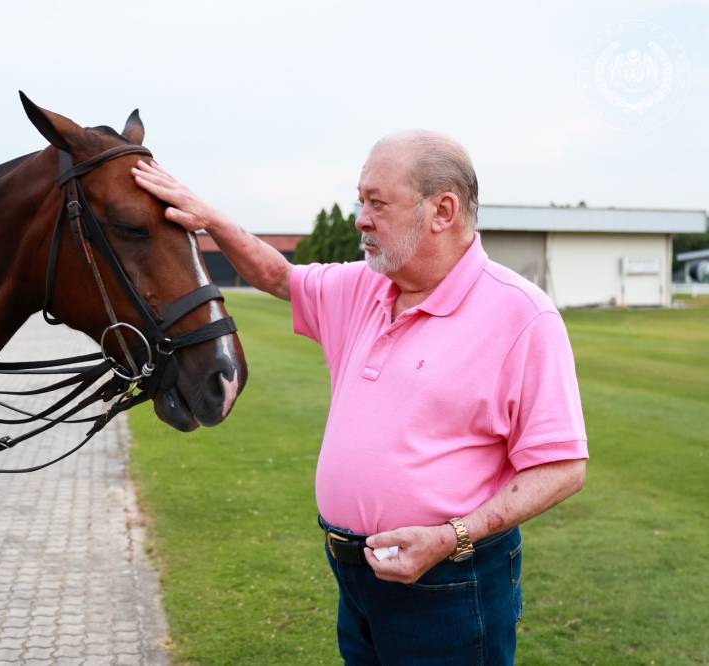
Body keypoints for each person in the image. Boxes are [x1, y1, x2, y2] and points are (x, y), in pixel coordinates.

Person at [131, 130, 588, 665]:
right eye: (360, 199)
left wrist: (450, 537)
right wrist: (210, 218)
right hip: (355, 574)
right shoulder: (365, 286)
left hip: (451, 582)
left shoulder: (521, 316)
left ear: (442, 210)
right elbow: (278, 275)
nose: (360, 218)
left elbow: (562, 467)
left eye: (377, 202)